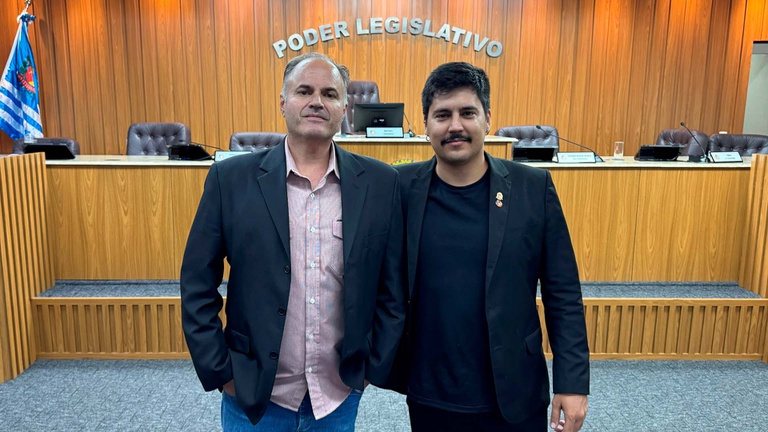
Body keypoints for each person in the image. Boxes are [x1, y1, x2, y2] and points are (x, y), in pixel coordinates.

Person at [180, 52, 405, 430]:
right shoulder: (230, 180)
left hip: (337, 396)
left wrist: (372, 367)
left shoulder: (380, 184)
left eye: (330, 94)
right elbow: (196, 283)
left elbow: (392, 288)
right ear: (283, 102)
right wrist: (220, 371)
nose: (317, 101)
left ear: (345, 108)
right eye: (304, 91)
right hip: (253, 396)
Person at [387, 62, 590, 432]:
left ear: (488, 119)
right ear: (426, 125)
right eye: (442, 115)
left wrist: (572, 382)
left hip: (514, 390)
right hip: (430, 393)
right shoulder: (399, 188)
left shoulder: (533, 188)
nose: (455, 126)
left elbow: (563, 292)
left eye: (468, 113)